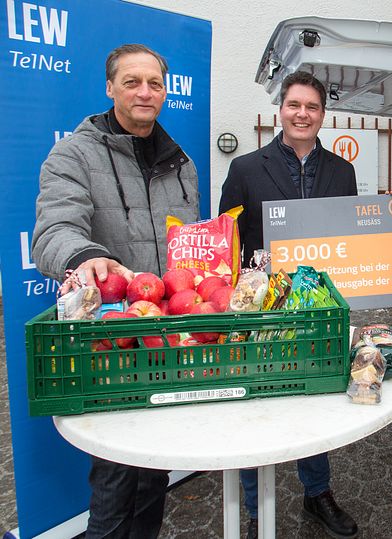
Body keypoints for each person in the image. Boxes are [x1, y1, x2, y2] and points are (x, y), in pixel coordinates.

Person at [31, 44, 199, 538]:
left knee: (155, 474)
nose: (145, 92)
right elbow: (52, 230)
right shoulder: (73, 154)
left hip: (166, 339)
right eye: (132, 82)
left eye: (154, 83)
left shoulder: (182, 163)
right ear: (110, 88)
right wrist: (83, 257)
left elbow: (186, 253)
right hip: (111, 344)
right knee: (113, 477)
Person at [219, 70, 358, 539]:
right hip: (262, 314)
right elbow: (227, 243)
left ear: (323, 114)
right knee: (256, 404)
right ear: (280, 109)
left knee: (313, 399)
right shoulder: (245, 169)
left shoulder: (343, 171)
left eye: (312, 107)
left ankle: (317, 492)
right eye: (294, 105)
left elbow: (351, 241)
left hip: (317, 310)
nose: (302, 114)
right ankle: (257, 507)